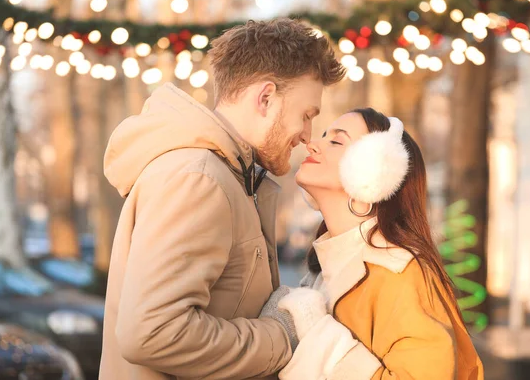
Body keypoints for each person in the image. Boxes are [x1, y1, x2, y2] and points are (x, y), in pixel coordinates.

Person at [98, 19, 345, 380]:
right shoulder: (199, 177)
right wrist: (282, 335)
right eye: (306, 115)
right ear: (265, 98)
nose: (307, 136)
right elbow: (151, 333)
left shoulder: (228, 176)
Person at [262, 108, 484, 379]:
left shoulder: (401, 273)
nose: (313, 144)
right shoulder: (324, 271)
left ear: (372, 174)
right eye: (322, 136)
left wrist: (319, 336)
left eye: (336, 141)